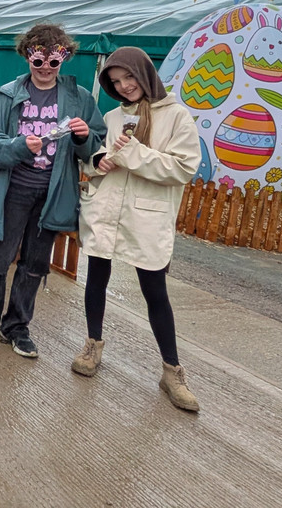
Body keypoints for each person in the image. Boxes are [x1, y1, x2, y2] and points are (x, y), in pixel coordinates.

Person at [0, 23, 105, 359]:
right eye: (38, 61)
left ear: (64, 58)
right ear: (26, 57)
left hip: (53, 193)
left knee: (35, 264)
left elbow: (94, 145)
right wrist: (19, 146)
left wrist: (82, 137)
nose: (46, 68)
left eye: (54, 62)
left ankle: (17, 326)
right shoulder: (5, 95)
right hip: (13, 190)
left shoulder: (79, 98)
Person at [73, 47, 201, 411]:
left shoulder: (176, 117)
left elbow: (183, 168)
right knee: (96, 278)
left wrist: (133, 154)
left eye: (128, 77)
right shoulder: (112, 116)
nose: (124, 86)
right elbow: (93, 157)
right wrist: (99, 160)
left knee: (154, 291)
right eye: (116, 81)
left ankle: (172, 370)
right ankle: (93, 345)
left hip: (148, 216)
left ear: (145, 73)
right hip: (107, 209)